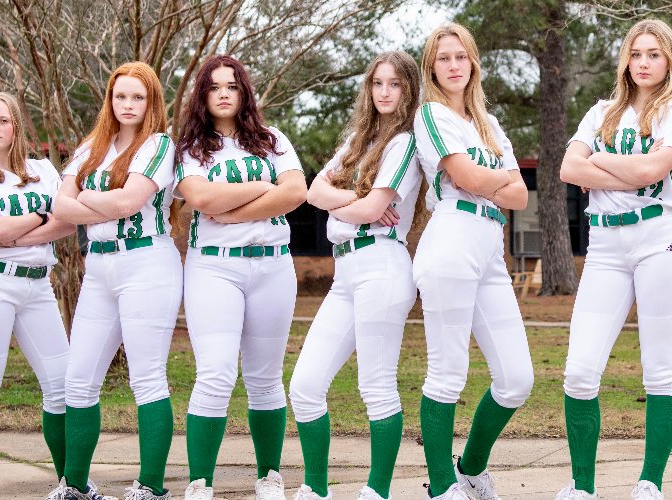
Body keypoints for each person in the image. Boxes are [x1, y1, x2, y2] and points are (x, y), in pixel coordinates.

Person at [556, 19, 672, 500]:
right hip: (605, 245)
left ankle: (650, 482)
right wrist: (628, 172)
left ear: (669, 61)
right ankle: (582, 486)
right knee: (579, 370)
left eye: (654, 54)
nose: (643, 63)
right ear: (625, 60)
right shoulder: (600, 112)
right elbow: (568, 167)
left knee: (659, 367)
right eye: (636, 54)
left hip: (661, 238)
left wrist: (597, 163)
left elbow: (654, 170)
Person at [289, 50, 423, 500]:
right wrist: (359, 200)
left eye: (395, 84)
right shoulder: (356, 141)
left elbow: (370, 209)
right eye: (377, 83)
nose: (384, 92)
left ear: (408, 90)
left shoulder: (404, 143)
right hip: (345, 270)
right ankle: (316, 489)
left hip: (382, 265)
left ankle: (376, 491)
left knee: (376, 386)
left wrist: (351, 203)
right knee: (305, 386)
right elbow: (314, 191)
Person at [174, 55, 308, 500]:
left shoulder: (272, 139)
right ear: (203, 95)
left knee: (266, 377)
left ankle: (269, 476)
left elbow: (296, 191)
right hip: (214, 267)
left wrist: (232, 213)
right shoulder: (192, 147)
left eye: (232, 86)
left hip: (273, 265)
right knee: (215, 373)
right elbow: (201, 197)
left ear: (244, 92)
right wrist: (263, 189)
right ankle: (199, 483)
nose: (224, 93)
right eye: (214, 87)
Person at [412, 22, 534, 500]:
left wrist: (490, 181)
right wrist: (496, 179)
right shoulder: (431, 114)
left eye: (461, 56)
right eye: (443, 58)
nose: (453, 65)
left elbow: (520, 195)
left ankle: (470, 469)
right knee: (447, 372)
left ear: (473, 63)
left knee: (517, 379)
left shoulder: (488, 124)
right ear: (431, 68)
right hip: (452, 237)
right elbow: (467, 178)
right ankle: (442, 486)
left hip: (489, 246)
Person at [53, 61, 182, 500]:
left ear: (152, 102)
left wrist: (87, 197)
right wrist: (103, 203)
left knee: (146, 379)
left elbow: (130, 203)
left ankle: (150, 487)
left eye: (138, 97)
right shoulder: (93, 146)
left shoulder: (159, 144)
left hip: (147, 262)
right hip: (99, 266)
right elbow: (59, 206)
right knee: (78, 379)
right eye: (120, 96)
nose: (128, 104)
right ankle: (74, 487)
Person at [0, 91, 78, 500]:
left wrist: (19, 234)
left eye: (3, 120)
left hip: (38, 285)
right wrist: (42, 216)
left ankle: (69, 484)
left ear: (16, 126)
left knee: (61, 387)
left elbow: (68, 223)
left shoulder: (43, 169)